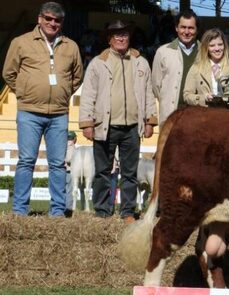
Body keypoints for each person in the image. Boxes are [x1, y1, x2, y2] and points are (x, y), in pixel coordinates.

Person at [2, 2, 83, 217]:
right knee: (26, 161)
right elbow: (8, 73)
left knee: (57, 164)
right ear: (39, 19)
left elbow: (77, 77)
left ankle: (56, 212)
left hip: (59, 114)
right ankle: (19, 211)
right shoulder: (20, 43)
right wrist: (25, 92)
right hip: (28, 112)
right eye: (48, 18)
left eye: (57, 20)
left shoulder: (71, 46)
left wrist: (63, 92)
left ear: (61, 23)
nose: (52, 23)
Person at [79, 20, 157, 223]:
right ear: (109, 39)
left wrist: (149, 120)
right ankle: (103, 211)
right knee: (103, 172)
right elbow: (88, 94)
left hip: (132, 126)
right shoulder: (98, 62)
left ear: (129, 37)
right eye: (116, 35)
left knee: (130, 173)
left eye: (124, 34)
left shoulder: (141, 62)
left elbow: (148, 92)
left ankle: (128, 212)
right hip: (105, 126)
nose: (121, 38)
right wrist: (87, 123)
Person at [152, 10, 199, 126]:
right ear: (176, 28)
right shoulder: (163, 52)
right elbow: (156, 86)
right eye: (183, 27)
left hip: (198, 117)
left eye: (191, 28)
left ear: (197, 30)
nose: (187, 32)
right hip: (170, 116)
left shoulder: (205, 52)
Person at [183, 28, 229, 107]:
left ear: (224, 45)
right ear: (206, 48)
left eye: (220, 44)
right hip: (204, 116)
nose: (217, 49)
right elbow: (187, 96)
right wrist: (204, 98)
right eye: (212, 45)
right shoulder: (196, 68)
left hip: (226, 114)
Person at [64, 131, 77, 216]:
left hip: (63, 171)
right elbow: (69, 159)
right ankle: (68, 209)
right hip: (69, 171)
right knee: (69, 191)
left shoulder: (63, 145)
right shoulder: (71, 147)